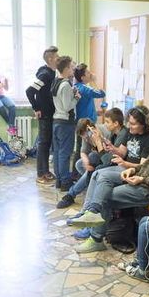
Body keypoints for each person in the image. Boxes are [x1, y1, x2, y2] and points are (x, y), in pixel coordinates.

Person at [71, 108, 149, 254]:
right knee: (103, 183)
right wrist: (133, 171)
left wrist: (142, 178)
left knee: (105, 196)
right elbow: (146, 165)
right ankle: (92, 215)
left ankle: (95, 237)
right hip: (144, 184)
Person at [69, 106, 149, 239]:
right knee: (96, 173)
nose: (129, 126)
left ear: (143, 124)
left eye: (133, 124)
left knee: (100, 174)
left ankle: (91, 216)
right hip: (122, 166)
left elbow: (142, 167)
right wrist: (111, 147)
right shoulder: (130, 133)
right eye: (129, 122)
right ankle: (88, 212)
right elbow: (121, 152)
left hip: (131, 171)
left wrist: (124, 163)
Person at [57, 107, 129, 208]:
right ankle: (88, 184)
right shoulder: (112, 134)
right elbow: (84, 152)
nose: (105, 124)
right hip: (105, 160)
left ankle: (73, 194)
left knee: (93, 165)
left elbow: (109, 160)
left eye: (107, 122)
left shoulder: (111, 132)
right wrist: (87, 162)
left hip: (111, 162)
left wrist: (99, 142)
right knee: (82, 164)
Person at [26, 46, 59, 184]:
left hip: (50, 113)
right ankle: (41, 174)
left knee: (46, 143)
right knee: (43, 144)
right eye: (57, 57)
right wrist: (36, 108)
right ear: (50, 59)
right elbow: (29, 91)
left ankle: (46, 171)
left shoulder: (51, 72)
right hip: (45, 114)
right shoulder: (44, 75)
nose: (59, 59)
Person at [51, 55, 79, 190]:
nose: (73, 69)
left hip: (56, 121)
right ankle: (65, 182)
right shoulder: (66, 84)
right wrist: (76, 98)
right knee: (65, 154)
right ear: (66, 68)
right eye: (71, 67)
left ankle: (59, 180)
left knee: (57, 153)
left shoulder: (56, 81)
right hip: (65, 122)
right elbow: (68, 106)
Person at [72, 63, 106, 174]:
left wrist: (97, 113)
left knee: (80, 149)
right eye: (87, 72)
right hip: (86, 125)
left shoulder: (77, 87)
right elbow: (101, 93)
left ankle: (75, 174)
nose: (90, 74)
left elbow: (84, 105)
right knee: (84, 151)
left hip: (81, 122)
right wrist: (94, 80)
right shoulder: (85, 88)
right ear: (82, 77)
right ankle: (79, 174)